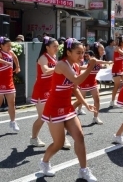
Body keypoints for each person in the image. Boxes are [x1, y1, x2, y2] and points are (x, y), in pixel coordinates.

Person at [39, 38, 97, 181]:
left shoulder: (76, 66)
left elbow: (75, 88)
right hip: (53, 107)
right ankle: (44, 162)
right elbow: (77, 80)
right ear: (68, 52)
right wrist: (90, 67)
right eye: (78, 53)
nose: (81, 56)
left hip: (67, 107)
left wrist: (85, 103)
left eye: (83, 53)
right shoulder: (61, 65)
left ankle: (84, 170)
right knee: (59, 143)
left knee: (80, 137)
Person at [30, 37, 64, 147]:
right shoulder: (43, 57)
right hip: (41, 90)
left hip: (51, 90)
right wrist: (60, 68)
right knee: (44, 117)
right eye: (54, 46)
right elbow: (45, 70)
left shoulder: (54, 57)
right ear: (47, 47)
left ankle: (60, 140)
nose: (57, 48)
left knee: (53, 115)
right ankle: (34, 138)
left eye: (57, 46)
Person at [76, 42, 113, 124]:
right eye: (101, 49)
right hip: (85, 80)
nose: (103, 50)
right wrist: (107, 62)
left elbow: (98, 64)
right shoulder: (93, 58)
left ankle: (95, 117)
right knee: (80, 100)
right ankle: (77, 111)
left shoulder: (99, 57)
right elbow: (94, 63)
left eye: (103, 49)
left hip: (93, 81)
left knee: (97, 100)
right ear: (97, 49)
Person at [0, 36, 21, 132]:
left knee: (12, 104)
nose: (9, 47)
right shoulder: (0, 53)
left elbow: (15, 58)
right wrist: (6, 62)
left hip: (9, 82)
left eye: (10, 45)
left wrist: (18, 67)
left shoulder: (10, 52)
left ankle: (13, 121)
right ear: (2, 45)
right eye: (7, 46)